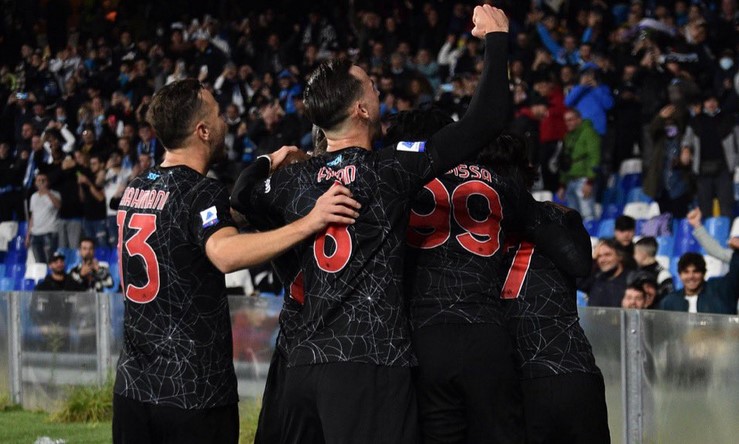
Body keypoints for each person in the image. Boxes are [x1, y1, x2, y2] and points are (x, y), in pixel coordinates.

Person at [231, 6, 511, 443]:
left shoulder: (291, 181)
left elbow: (240, 196)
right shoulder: (389, 168)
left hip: (301, 367)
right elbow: (486, 119)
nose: (380, 91)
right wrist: (497, 39)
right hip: (368, 363)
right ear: (361, 109)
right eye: (373, 87)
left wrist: (270, 159)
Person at [112, 79, 360, 444]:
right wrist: (310, 221)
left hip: (133, 387)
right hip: (192, 393)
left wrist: (265, 164)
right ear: (203, 130)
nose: (225, 122)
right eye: (217, 114)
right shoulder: (201, 192)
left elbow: (210, 223)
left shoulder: (136, 187)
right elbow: (224, 253)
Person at [491, 135, 610, 443]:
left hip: (548, 371)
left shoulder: (556, 216)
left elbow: (579, 264)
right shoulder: (560, 215)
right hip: (552, 373)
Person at [681, 93, 738, 217]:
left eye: (714, 100)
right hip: (702, 170)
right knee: (705, 208)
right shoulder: (695, 121)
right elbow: (687, 140)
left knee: (726, 206)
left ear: (718, 102)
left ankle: (726, 229)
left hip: (724, 168)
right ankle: (705, 229)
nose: (711, 104)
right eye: (708, 101)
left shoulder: (729, 119)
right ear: (703, 103)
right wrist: (685, 149)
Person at [659, 249, 739, 314]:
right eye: (686, 272)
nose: (691, 276)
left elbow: (735, 275)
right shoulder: (669, 302)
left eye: (696, 271)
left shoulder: (719, 291)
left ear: (704, 273)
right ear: (680, 275)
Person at [557, 108, 600, 221]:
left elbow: (594, 158)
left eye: (571, 119)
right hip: (570, 180)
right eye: (566, 120)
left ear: (579, 119)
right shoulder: (568, 136)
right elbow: (565, 161)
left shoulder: (589, 132)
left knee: (588, 215)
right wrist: (562, 184)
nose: (568, 123)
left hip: (584, 180)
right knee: (573, 219)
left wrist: (589, 182)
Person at [580, 238, 630, 307]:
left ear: (620, 256)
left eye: (607, 255)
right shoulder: (595, 279)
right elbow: (579, 283)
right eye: (599, 256)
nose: (602, 260)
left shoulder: (631, 280)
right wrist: (593, 259)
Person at [25, 173, 61, 264]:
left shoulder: (55, 194)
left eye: (43, 180)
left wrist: (47, 192)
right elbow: (33, 216)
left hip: (49, 232)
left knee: (51, 261)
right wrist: (28, 235)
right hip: (35, 234)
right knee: (39, 263)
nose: (41, 182)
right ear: (35, 183)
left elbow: (58, 205)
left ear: (48, 182)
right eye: (39, 180)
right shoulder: (33, 197)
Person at [633, 236, 673, 301]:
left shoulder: (663, 275)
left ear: (643, 254)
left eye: (635, 253)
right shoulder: (634, 271)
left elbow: (667, 300)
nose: (633, 257)